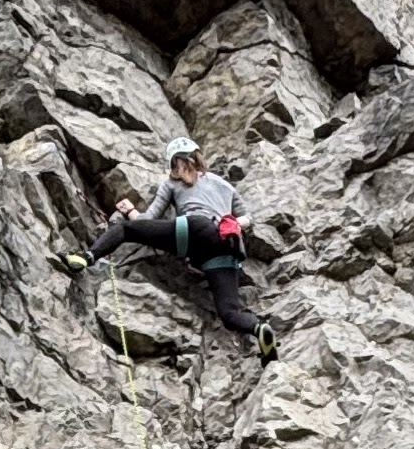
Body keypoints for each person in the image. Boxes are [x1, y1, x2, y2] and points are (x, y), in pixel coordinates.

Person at [85, 139, 274, 345]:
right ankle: (259, 328)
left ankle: (87, 257)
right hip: (225, 245)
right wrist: (230, 223)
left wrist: (130, 210)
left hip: (193, 229)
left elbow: (147, 219)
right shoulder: (225, 185)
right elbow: (249, 218)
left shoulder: (172, 183)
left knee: (125, 229)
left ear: (175, 162)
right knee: (229, 313)